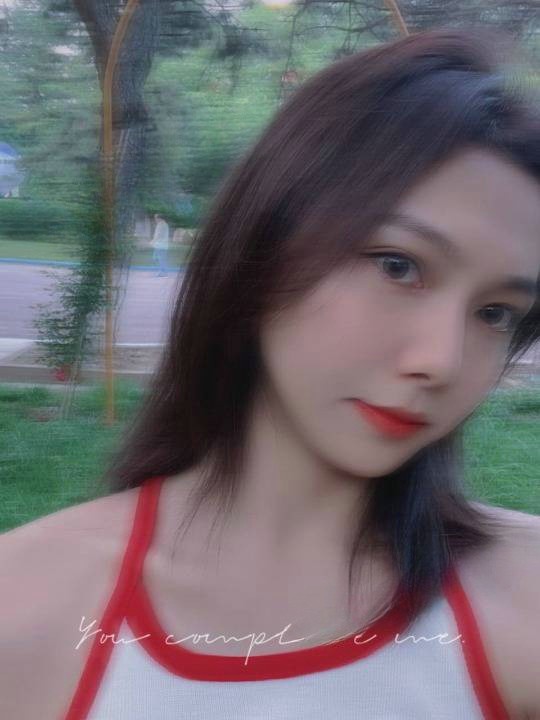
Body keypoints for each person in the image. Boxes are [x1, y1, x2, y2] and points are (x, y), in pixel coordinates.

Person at [2, 28, 540, 720]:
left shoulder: (522, 595)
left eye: (495, 313)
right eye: (398, 266)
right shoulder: (28, 607)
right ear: (265, 243)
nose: (442, 360)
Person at [150, 213, 170, 277]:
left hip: (161, 245)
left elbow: (158, 235)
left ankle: (163, 272)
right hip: (159, 245)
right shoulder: (161, 224)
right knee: (155, 258)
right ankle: (162, 271)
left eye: (156, 218)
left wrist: (152, 241)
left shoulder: (162, 225)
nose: (155, 219)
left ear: (159, 218)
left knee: (160, 259)